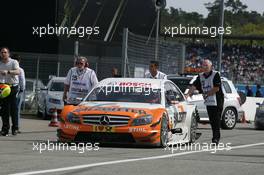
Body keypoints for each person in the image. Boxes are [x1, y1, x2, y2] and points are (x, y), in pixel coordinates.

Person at [185, 59, 224, 145]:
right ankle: (215, 137)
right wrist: (188, 94)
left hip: (217, 100)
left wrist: (207, 94)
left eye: (207, 65)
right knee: (212, 120)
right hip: (209, 101)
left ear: (211, 67)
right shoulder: (201, 76)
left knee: (216, 119)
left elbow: (216, 88)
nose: (205, 67)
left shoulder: (216, 74)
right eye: (203, 65)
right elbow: (194, 86)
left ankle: (215, 139)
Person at [0, 47, 20, 136]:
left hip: (13, 87)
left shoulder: (13, 62)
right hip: (3, 87)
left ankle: (15, 128)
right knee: (4, 109)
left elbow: (18, 71)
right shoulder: (0, 63)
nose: (3, 54)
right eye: (2, 52)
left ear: (8, 54)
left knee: (13, 108)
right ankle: (5, 129)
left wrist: (8, 72)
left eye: (5, 52)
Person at [12, 54, 26, 134]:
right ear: (19, 61)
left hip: (9, 89)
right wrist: (22, 90)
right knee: (16, 109)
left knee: (6, 109)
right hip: (17, 90)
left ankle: (8, 126)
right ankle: (16, 127)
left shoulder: (9, 68)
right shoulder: (20, 70)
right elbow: (22, 81)